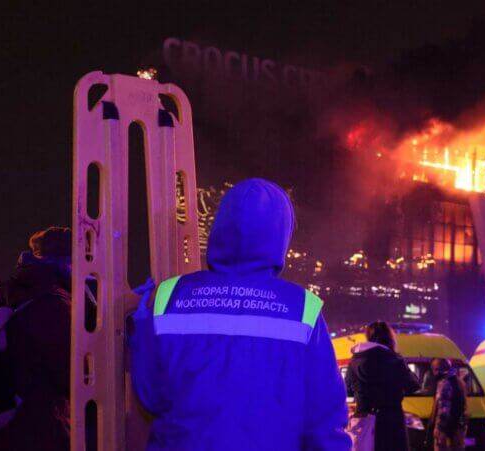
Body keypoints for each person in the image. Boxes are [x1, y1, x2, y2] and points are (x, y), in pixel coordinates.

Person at [130, 178, 351, 450]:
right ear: (280, 235)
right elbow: (325, 423)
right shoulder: (303, 310)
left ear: (219, 226)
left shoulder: (170, 295)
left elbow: (149, 395)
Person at [0, 226, 72, 451]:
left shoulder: (24, 296)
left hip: (14, 429)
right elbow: (71, 375)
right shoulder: (53, 305)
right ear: (64, 263)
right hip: (40, 430)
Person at [345, 321, 420, 451]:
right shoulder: (395, 360)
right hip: (391, 420)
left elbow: (348, 390)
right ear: (389, 338)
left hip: (364, 419)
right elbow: (413, 384)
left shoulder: (355, 361)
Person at [426, 358, 467, 451]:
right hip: (458, 427)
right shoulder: (459, 381)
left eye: (435, 369)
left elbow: (444, 409)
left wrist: (440, 429)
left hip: (446, 429)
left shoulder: (444, 383)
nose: (434, 373)